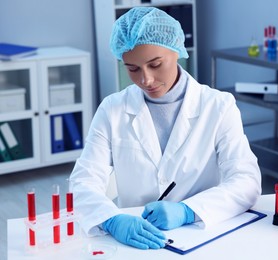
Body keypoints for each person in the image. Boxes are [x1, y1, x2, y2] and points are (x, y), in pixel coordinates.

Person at [69, 6, 261, 250]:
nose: (146, 80)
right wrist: (111, 220)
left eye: (155, 64)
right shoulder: (112, 109)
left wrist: (188, 211)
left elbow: (246, 180)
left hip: (202, 235)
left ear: (177, 50)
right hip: (135, 241)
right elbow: (84, 180)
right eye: (133, 69)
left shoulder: (219, 106)